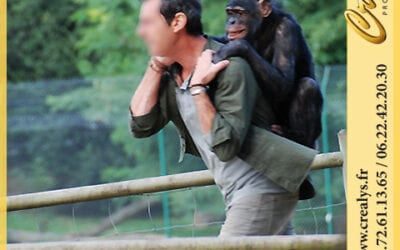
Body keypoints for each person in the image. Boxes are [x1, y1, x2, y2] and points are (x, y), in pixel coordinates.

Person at [130, 0, 317, 236]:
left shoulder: (230, 65)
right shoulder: (174, 71)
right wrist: (156, 67)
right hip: (235, 190)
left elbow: (226, 147)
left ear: (177, 22)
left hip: (264, 185)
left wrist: (198, 89)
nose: (140, 31)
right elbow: (141, 125)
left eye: (147, 23)